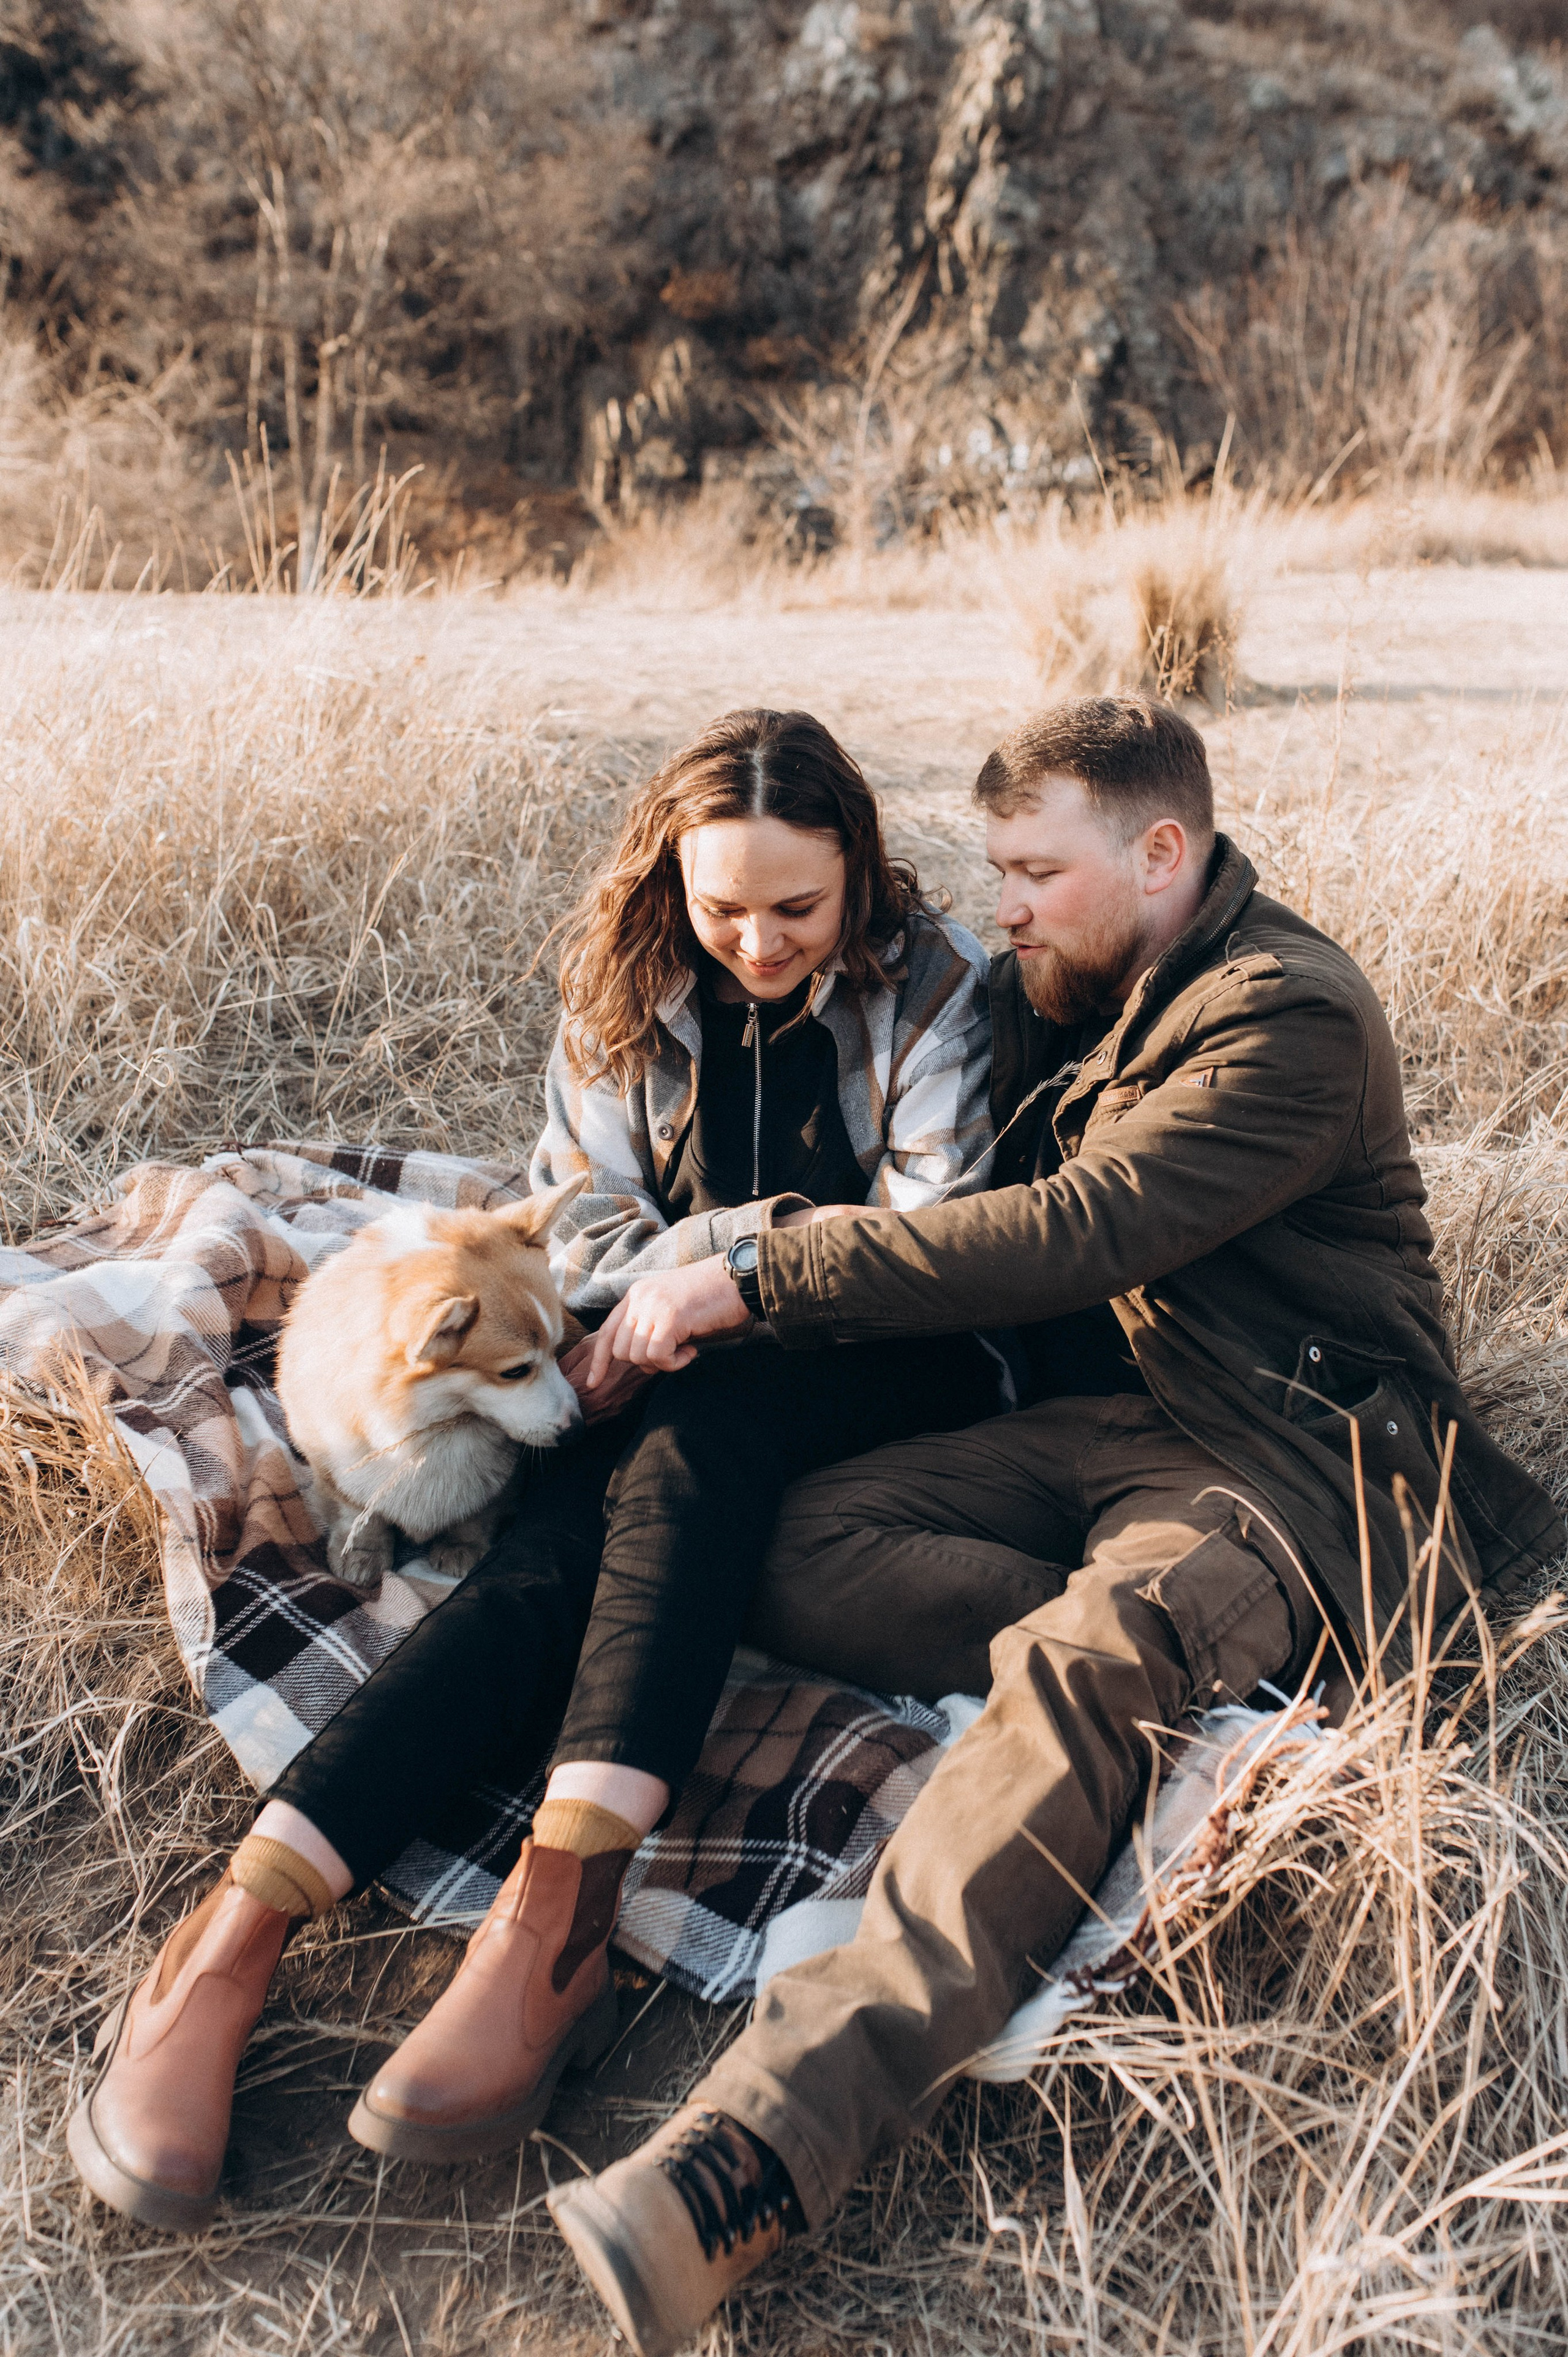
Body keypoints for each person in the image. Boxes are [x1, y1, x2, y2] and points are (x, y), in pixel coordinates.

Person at [545, 692, 1566, 2357]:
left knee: (1092, 1662)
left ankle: (751, 2155)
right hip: (1097, 1433)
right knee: (801, 1542)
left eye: (1034, 869)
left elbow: (1073, 1228)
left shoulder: (1286, 1019)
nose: (1000, 903)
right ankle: (1119, 1701)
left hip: (1280, 1461)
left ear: (1162, 856)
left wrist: (749, 1272)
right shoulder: (1070, 988)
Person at [68, 707, 1006, 2232]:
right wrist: (666, 1293)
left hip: (885, 1344)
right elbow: (578, 1223)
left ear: (860, 876)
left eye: (796, 907)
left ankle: (549, 1920)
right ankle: (235, 1935)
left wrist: (716, 1275)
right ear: (672, 886)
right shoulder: (624, 985)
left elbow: (929, 1236)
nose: (758, 941)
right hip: (666, 1330)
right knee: (555, 1536)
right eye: (722, 908)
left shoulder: (941, 984)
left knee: (702, 1432)